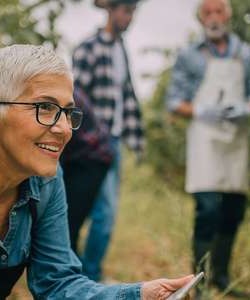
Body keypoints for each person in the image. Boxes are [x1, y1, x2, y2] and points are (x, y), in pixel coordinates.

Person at [0, 44, 192, 299]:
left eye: (68, 112)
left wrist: (138, 295)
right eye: (46, 108)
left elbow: (57, 285)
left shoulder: (47, 184)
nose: (65, 129)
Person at [165, 0, 250, 293]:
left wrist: (247, 107)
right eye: (207, 13)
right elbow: (174, 101)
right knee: (207, 208)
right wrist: (199, 110)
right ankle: (198, 282)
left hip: (236, 140)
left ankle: (222, 277)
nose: (213, 18)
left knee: (234, 208)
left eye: (218, 11)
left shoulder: (244, 54)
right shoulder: (189, 56)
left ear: (227, 15)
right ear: (200, 19)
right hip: (205, 139)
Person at [71, 0, 145, 282]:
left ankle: (86, 273)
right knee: (90, 211)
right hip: (90, 147)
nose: (129, 18)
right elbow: (77, 97)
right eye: (126, 11)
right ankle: (83, 274)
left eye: (133, 13)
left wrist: (135, 138)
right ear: (111, 11)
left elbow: (126, 98)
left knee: (104, 214)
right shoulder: (88, 48)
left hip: (112, 144)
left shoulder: (121, 51)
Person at [61, 87, 114, 255]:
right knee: (66, 222)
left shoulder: (63, 94)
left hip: (92, 159)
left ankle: (71, 274)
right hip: (77, 158)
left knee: (69, 223)